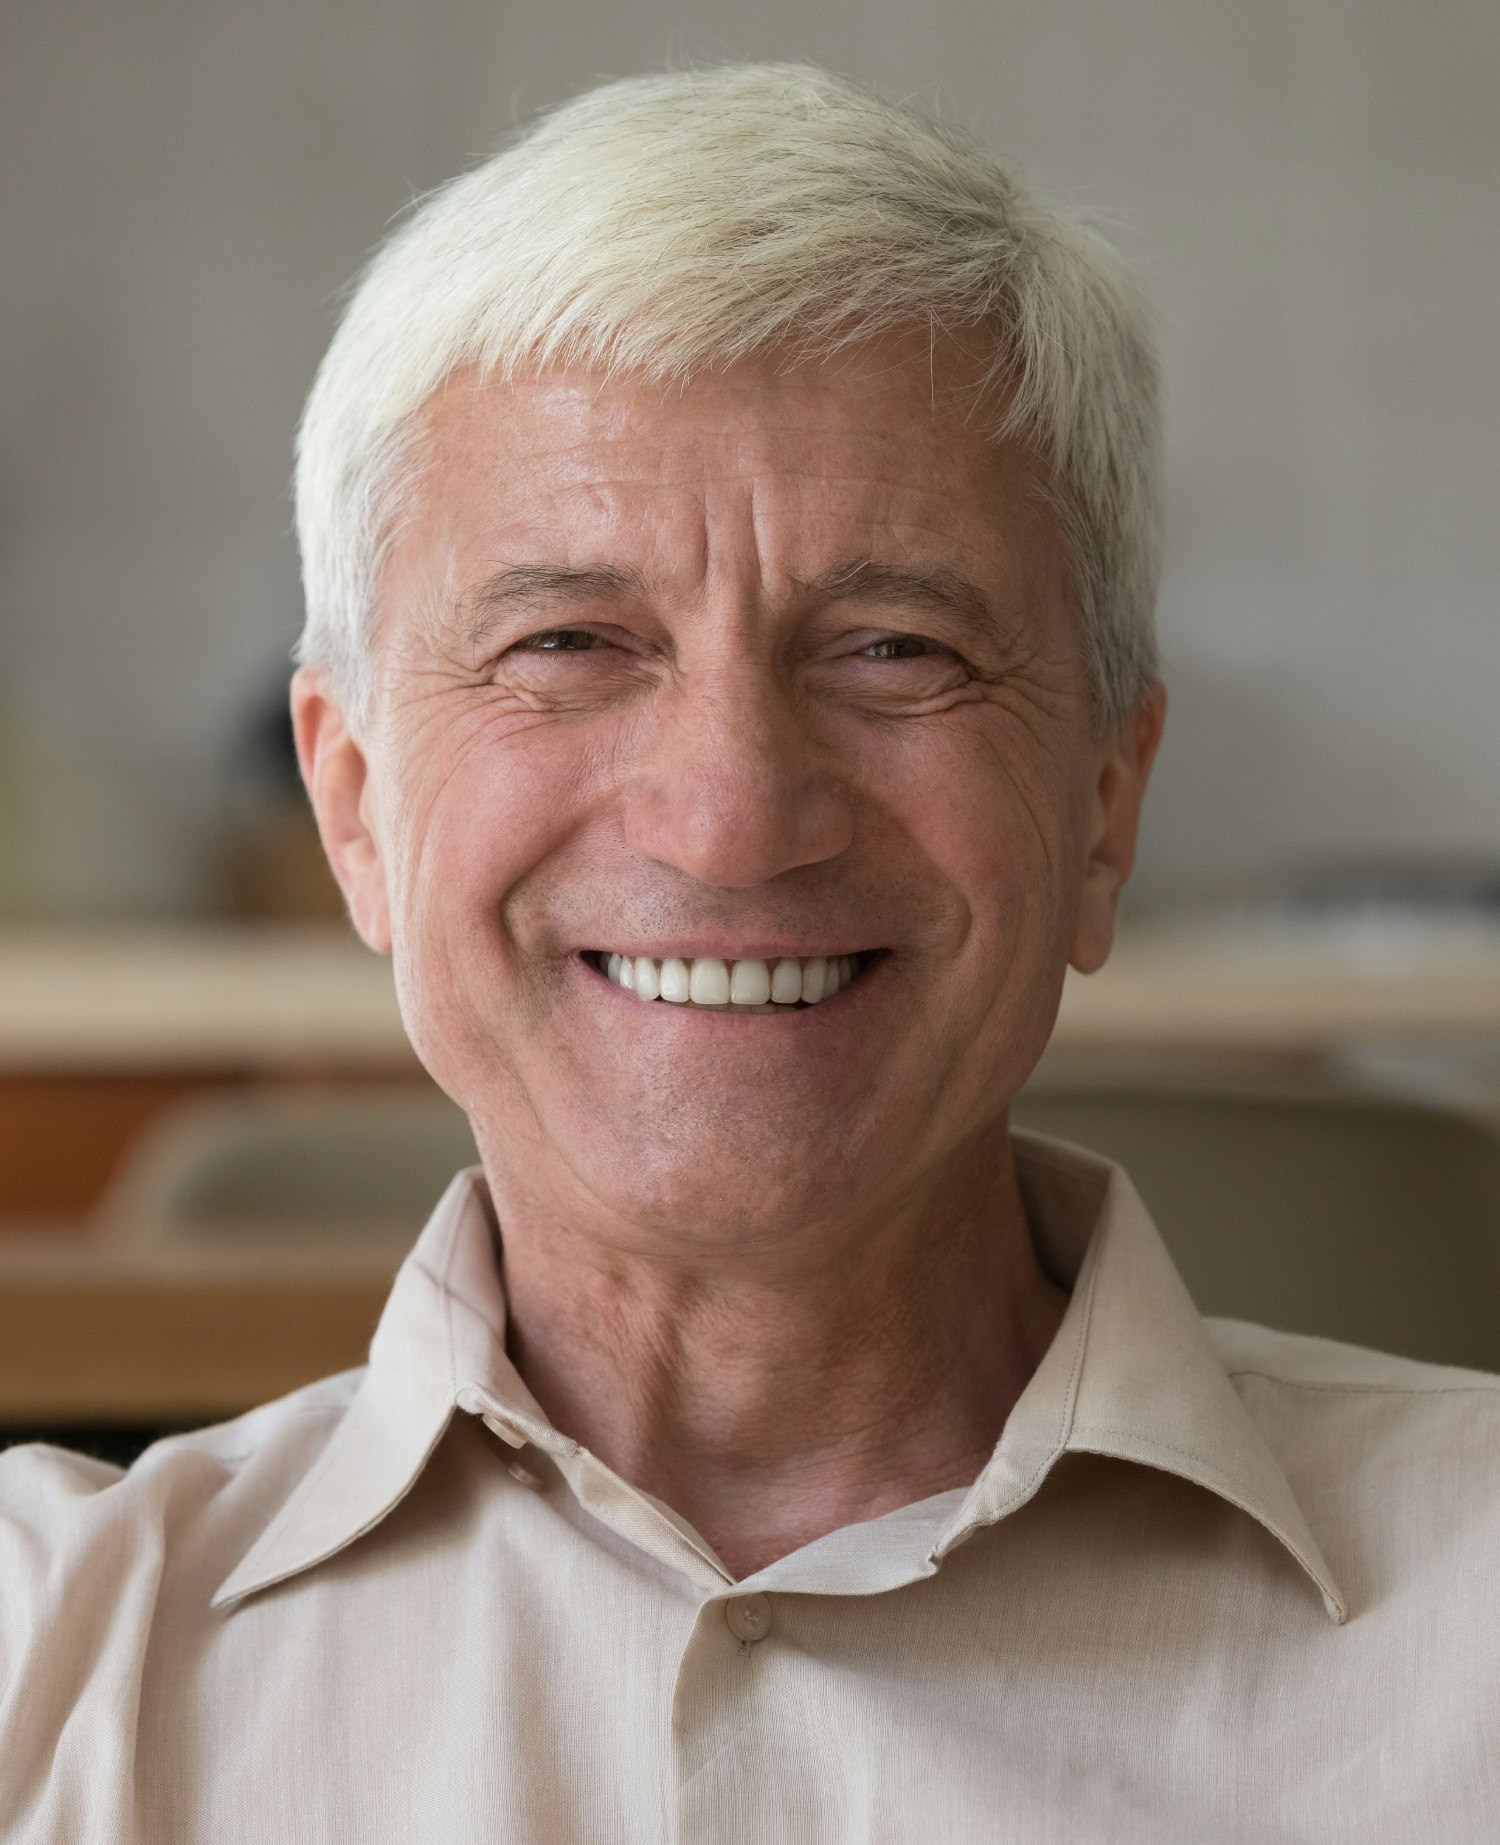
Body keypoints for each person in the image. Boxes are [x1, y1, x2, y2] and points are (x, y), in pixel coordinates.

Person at [2, 63, 1496, 1845]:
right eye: (567, 640)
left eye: (894, 649)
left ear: (1104, 805)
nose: (727, 815)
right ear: (353, 806)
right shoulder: (46, 1660)